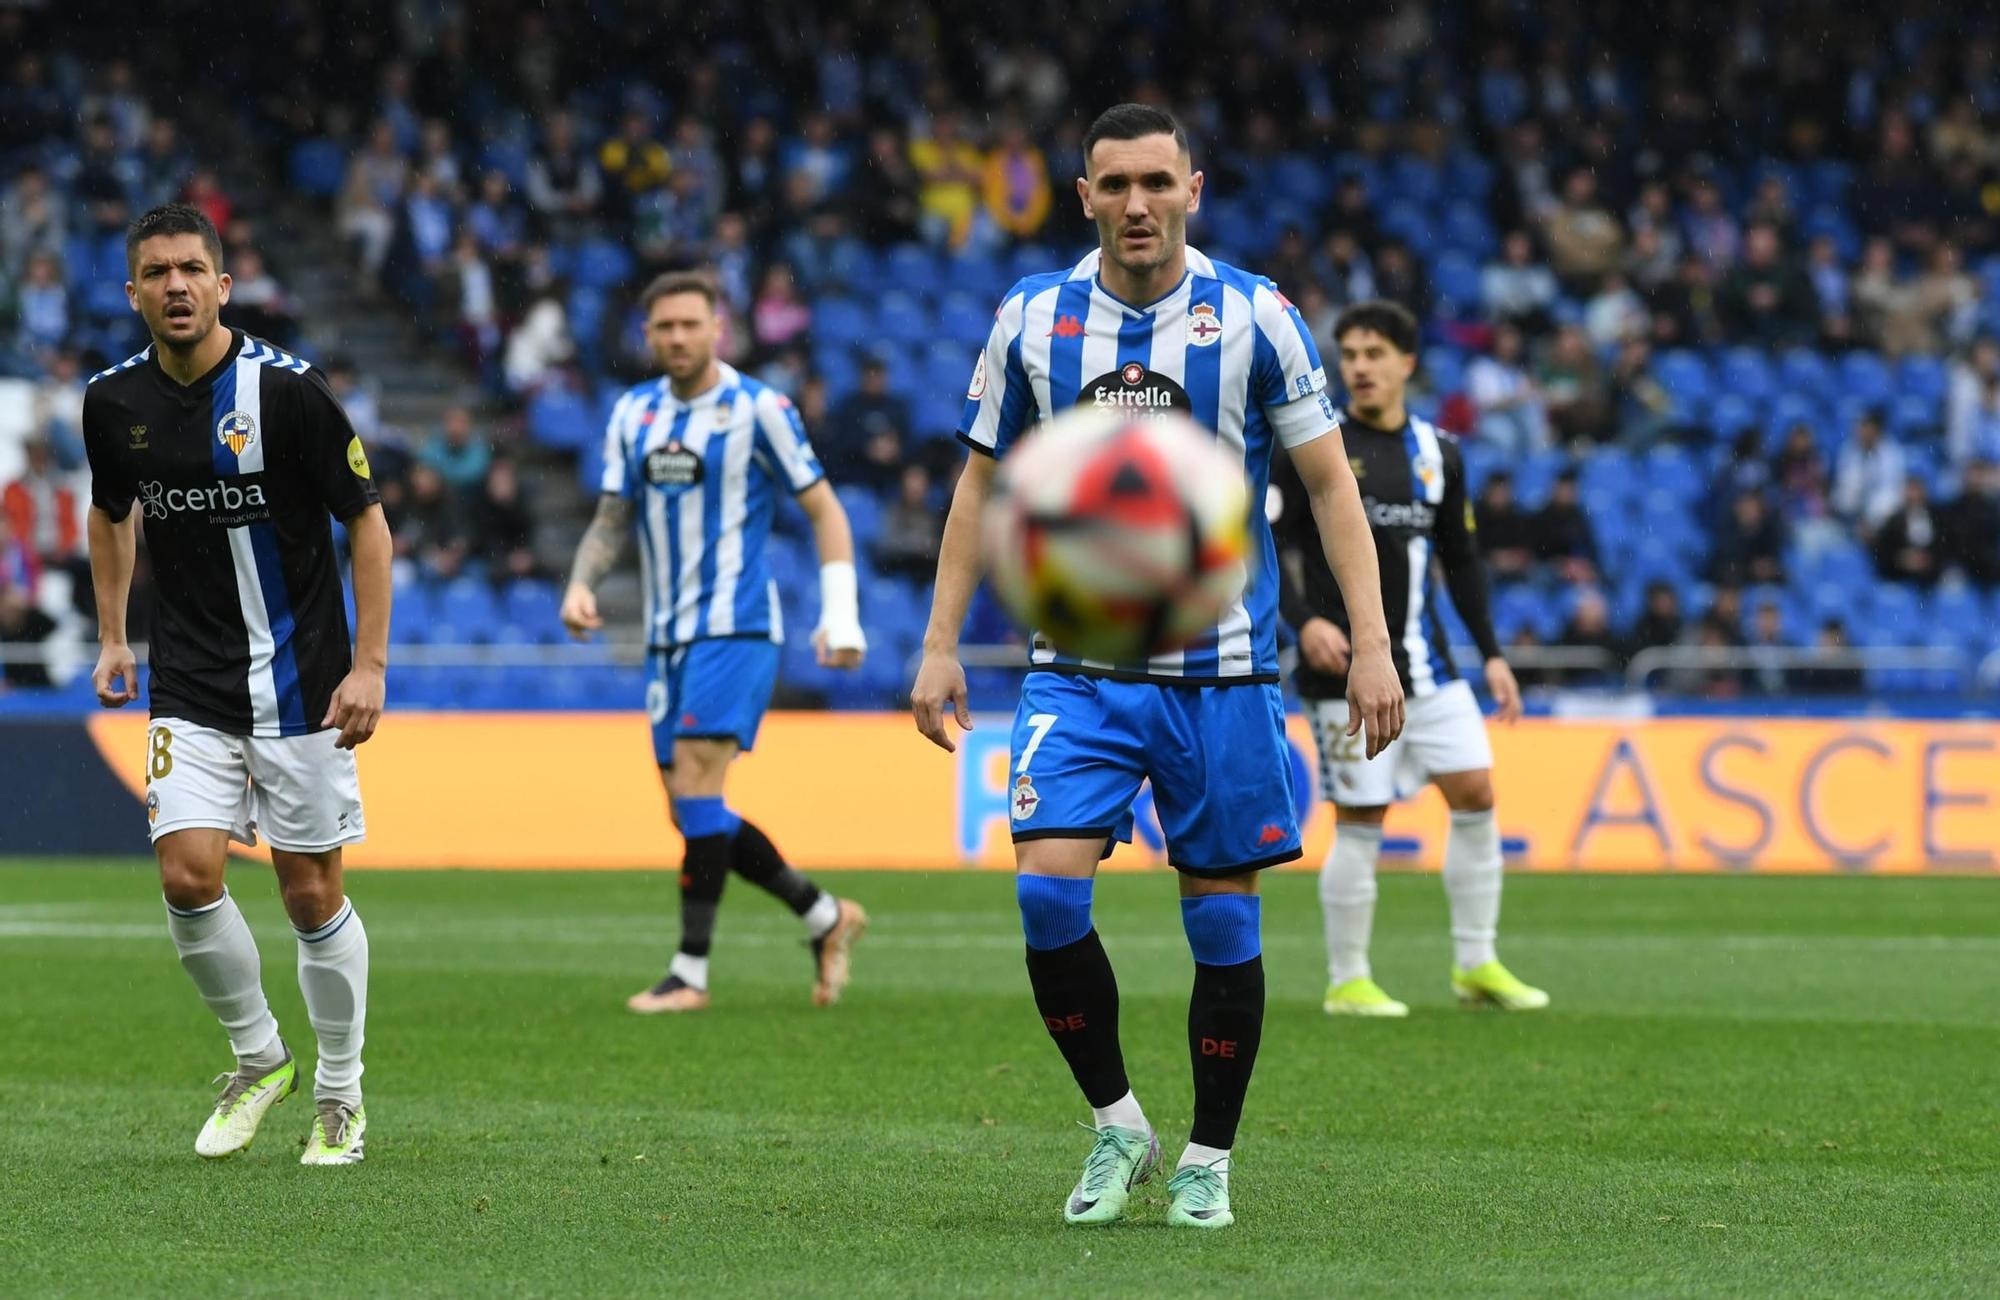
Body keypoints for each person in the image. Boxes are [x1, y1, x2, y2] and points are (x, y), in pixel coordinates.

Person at [911, 105, 1404, 1231]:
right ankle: (1117, 1122)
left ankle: (1207, 1159)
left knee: (1221, 923)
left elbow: (1332, 486)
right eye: (1116, 184)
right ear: (1082, 195)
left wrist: (1371, 643)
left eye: (1157, 182)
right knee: (1045, 893)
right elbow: (979, 487)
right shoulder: (1031, 317)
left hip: (1221, 675)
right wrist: (939, 642)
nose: (1138, 204)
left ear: (1193, 189)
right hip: (1077, 667)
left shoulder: (1257, 315)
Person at [82, 204, 390, 1165]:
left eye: (191, 269)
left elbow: (368, 523)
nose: (175, 286)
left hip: (303, 683)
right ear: (133, 292)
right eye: (156, 272)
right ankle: (259, 1058)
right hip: (190, 681)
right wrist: (113, 636)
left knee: (309, 894)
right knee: (186, 875)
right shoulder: (113, 403)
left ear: (223, 285)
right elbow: (110, 512)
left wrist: (370, 665)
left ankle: (340, 1094)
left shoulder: (289, 392)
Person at [561, 270, 869, 1015]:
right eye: (665, 326)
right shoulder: (633, 413)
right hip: (666, 637)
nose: (678, 337)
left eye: (690, 324)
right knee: (689, 810)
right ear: (647, 334)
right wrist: (580, 583)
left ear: (718, 329)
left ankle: (689, 973)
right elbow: (611, 517)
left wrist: (841, 613)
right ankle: (824, 916)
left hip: (735, 627)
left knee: (699, 789)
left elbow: (825, 510)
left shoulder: (759, 408)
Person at [1271, 299, 1545, 1023]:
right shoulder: (1314, 445)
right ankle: (1349, 978)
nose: (1359, 367)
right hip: (1344, 673)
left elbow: (1463, 560)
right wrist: (1304, 622)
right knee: (1363, 814)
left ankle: (1476, 962)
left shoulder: (1439, 453)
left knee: (1477, 794)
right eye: (1350, 355)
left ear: (1407, 364)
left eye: (1374, 354)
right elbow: (1265, 547)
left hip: (1429, 667)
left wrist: (1493, 655)